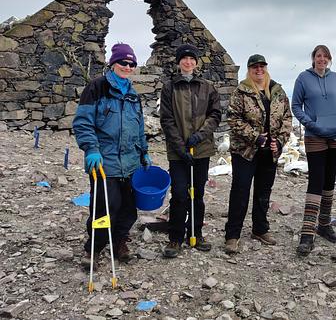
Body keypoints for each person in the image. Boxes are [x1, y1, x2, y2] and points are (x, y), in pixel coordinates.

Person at [73, 43, 151, 265]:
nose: (128, 67)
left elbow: (139, 129)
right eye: (123, 63)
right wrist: (91, 149)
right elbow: (82, 123)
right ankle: (94, 249)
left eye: (132, 64)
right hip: (104, 162)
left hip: (131, 162)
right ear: (113, 63)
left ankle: (119, 242)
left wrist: (144, 153)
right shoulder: (97, 88)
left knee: (128, 209)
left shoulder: (133, 95)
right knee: (105, 208)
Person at [224, 54, 292, 254]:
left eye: (262, 66)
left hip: (269, 153)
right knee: (240, 191)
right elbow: (233, 118)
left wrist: (279, 141)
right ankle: (232, 235)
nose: (259, 70)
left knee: (263, 192)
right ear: (249, 69)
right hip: (245, 151)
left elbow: (287, 118)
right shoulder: (241, 91)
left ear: (266, 68)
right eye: (255, 67)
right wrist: (255, 137)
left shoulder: (278, 91)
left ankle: (260, 229)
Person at [160, 44, 222, 258]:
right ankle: (175, 238)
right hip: (178, 152)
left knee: (198, 193)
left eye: (191, 59)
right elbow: (167, 120)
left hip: (201, 150)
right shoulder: (169, 87)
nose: (188, 62)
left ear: (196, 62)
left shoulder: (207, 87)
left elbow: (215, 115)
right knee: (179, 194)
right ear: (179, 62)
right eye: (184, 59)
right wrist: (181, 146)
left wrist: (199, 136)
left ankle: (195, 233)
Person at [292, 45, 336, 256]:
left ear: (329, 59)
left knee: (329, 180)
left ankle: (324, 225)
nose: (322, 59)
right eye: (318, 56)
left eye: (325, 56)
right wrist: (311, 124)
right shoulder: (302, 78)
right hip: (315, 135)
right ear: (313, 58)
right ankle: (307, 233)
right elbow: (296, 106)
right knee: (315, 180)